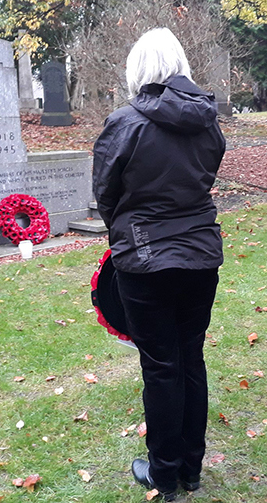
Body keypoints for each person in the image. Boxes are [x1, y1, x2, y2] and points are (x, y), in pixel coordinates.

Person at [92, 27, 226, 501]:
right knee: (189, 357)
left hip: (147, 259)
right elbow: (205, 172)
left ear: (138, 68)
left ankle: (166, 472)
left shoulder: (124, 122)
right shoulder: (207, 121)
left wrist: (129, 229)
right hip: (198, 255)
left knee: (163, 364)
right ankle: (189, 467)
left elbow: (105, 193)